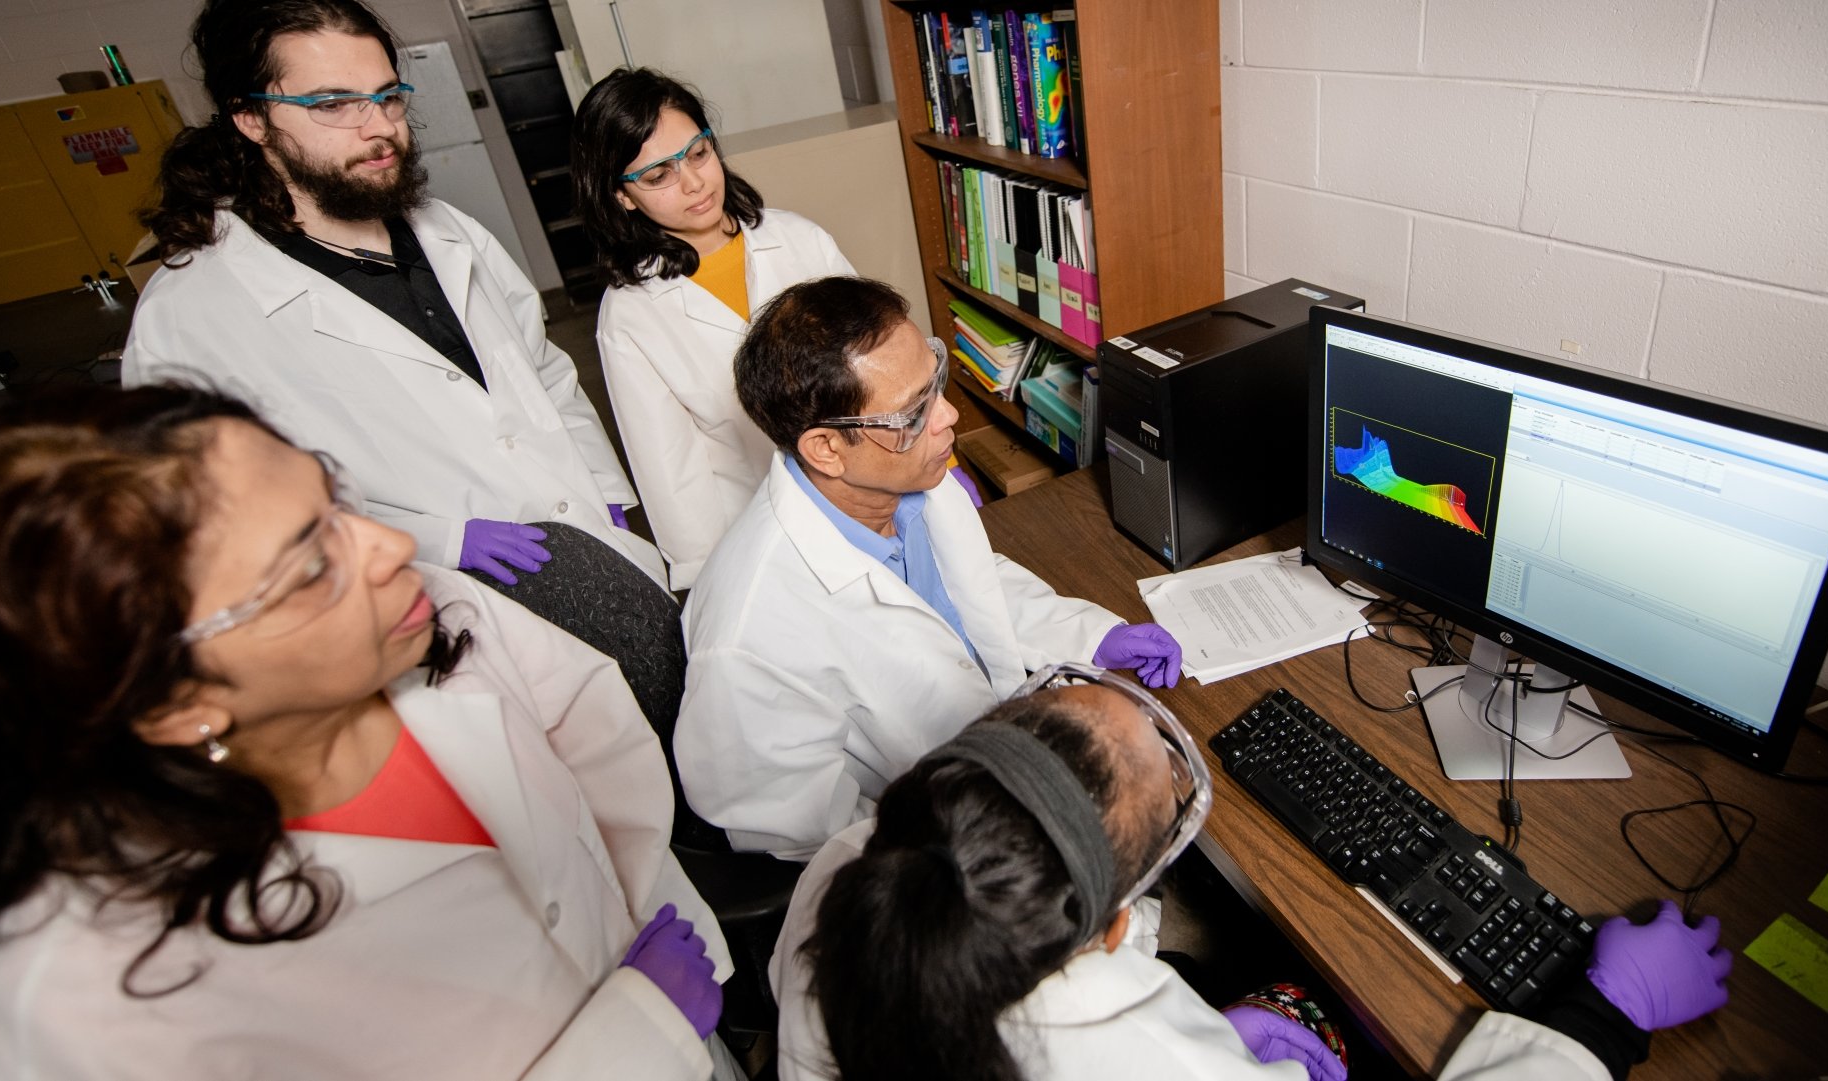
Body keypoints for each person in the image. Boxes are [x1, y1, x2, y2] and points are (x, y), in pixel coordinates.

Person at [0, 385, 738, 1080]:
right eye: (312, 563)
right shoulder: (92, 1004)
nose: (389, 543)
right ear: (166, 702)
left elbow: (601, 756)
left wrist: (654, 944)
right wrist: (633, 1039)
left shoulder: (435, 615)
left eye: (335, 500)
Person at [773, 666, 1735, 1081]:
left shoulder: (854, 870)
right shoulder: (1151, 1065)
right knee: (1335, 1005)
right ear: (1114, 927)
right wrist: (1600, 1018)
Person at [124, 0, 672, 653]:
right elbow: (219, 519)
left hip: (595, 551)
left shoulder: (448, 231)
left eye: (387, 97)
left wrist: (605, 493)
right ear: (251, 118)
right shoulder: (193, 310)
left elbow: (545, 371)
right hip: (429, 612)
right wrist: (440, 541)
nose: (379, 127)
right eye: (332, 104)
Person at [673, 276, 1184, 859]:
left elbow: (972, 590)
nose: (948, 415)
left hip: (1006, 748)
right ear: (825, 449)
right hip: (937, 850)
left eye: (934, 380)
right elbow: (798, 835)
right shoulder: (749, 633)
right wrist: (979, 838)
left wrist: (1093, 637)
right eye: (913, 412)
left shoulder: (906, 486)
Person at [574, 68, 914, 591]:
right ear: (621, 196)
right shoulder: (631, 316)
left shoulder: (800, 241)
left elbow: (884, 371)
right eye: (658, 175)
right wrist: (720, 585)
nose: (692, 182)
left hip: (878, 496)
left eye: (697, 153)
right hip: (763, 538)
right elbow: (672, 476)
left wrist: (930, 463)